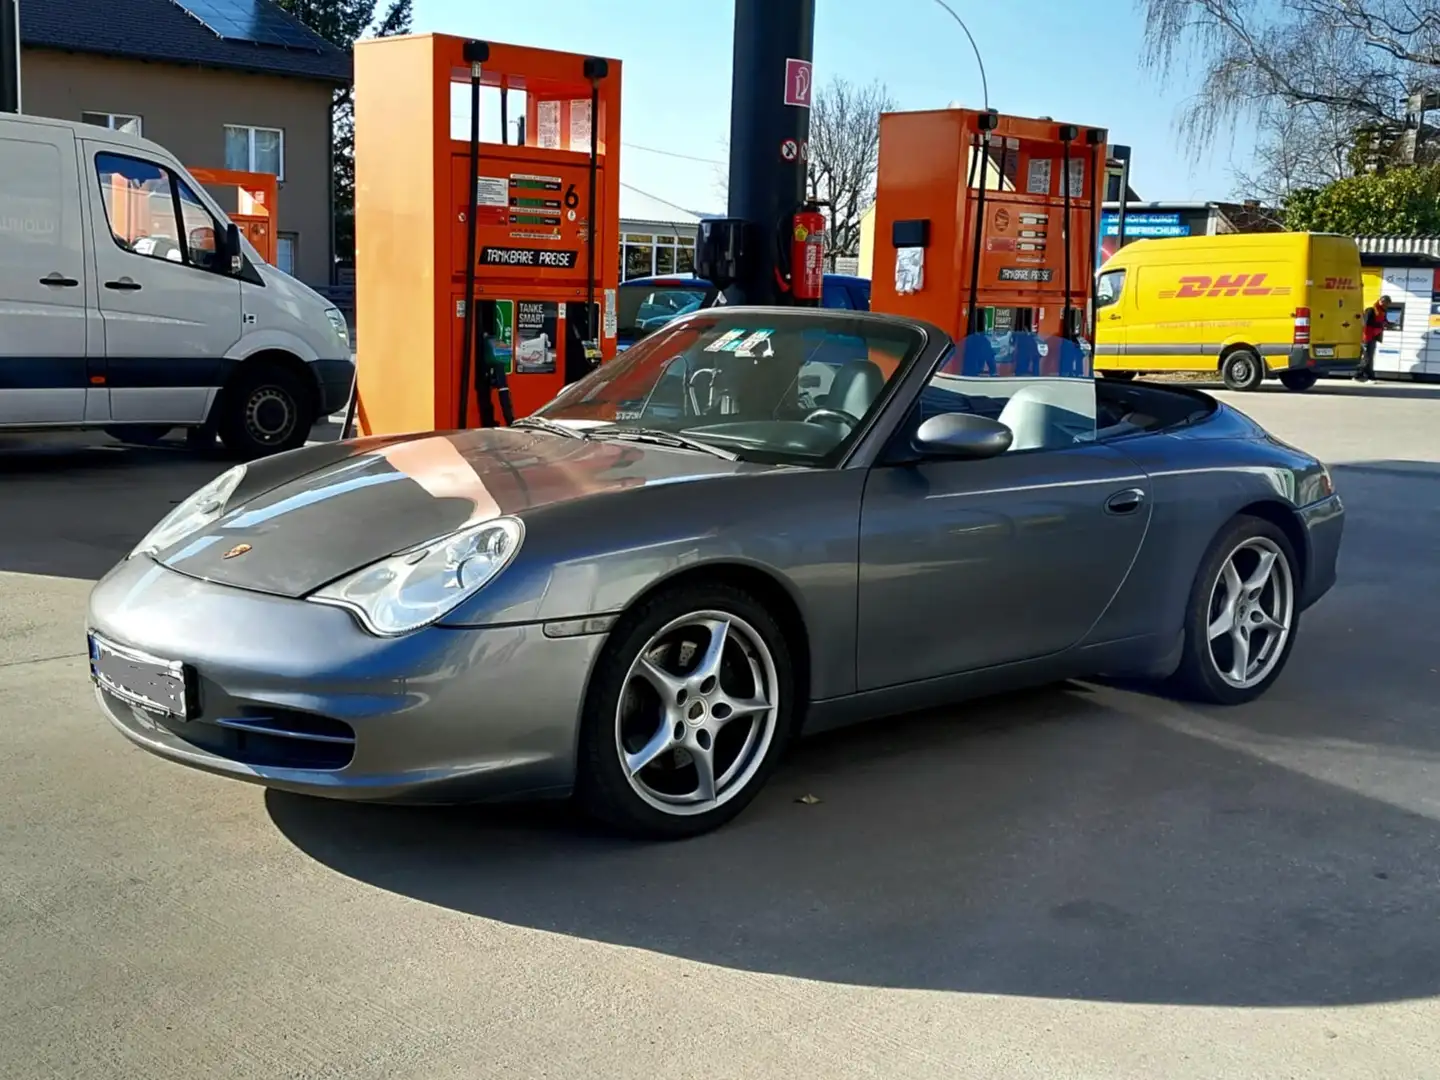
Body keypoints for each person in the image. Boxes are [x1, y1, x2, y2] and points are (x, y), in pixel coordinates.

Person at [1359, 294, 1389, 383]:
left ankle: (1360, 374)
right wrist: (1381, 325)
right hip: (1367, 336)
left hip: (1374, 336)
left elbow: (1384, 321)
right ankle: (1367, 376)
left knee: (1369, 356)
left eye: (1386, 303)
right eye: (1383, 302)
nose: (1384, 304)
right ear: (1379, 301)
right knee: (1368, 356)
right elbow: (1366, 323)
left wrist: (1388, 324)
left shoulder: (1383, 311)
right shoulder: (1371, 310)